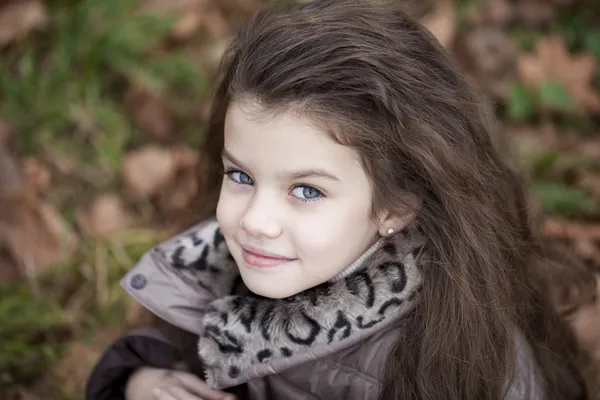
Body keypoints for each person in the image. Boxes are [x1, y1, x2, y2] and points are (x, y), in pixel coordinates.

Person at [85, 1, 590, 399]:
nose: (256, 221)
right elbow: (168, 346)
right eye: (240, 175)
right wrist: (142, 381)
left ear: (396, 207)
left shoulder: (449, 359)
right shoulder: (218, 262)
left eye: (307, 190)